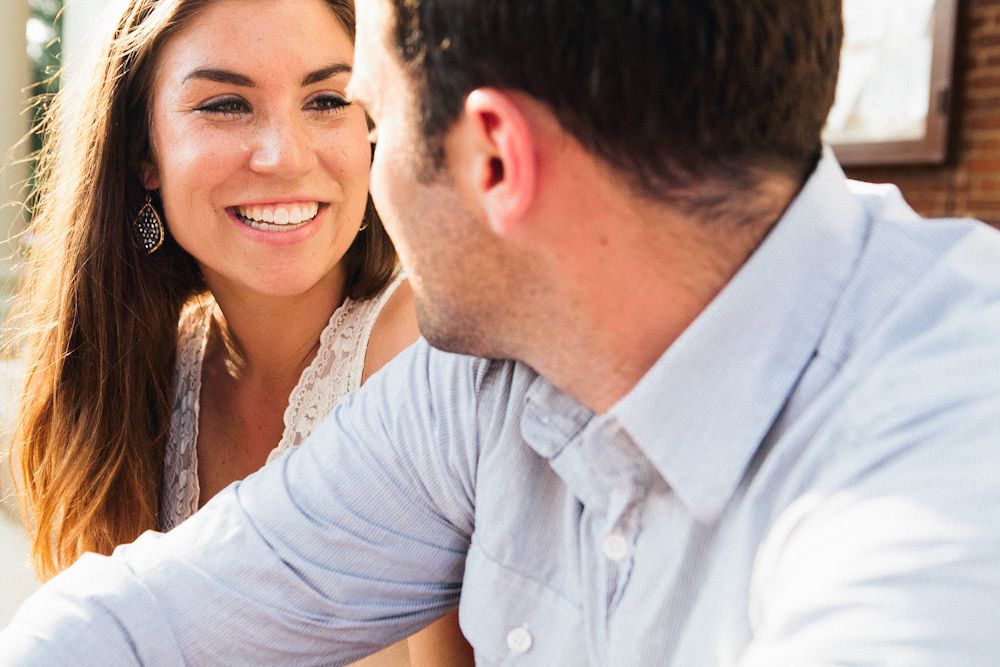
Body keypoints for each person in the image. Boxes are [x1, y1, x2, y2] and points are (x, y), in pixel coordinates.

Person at [6, 0, 1000, 663]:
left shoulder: (939, 473)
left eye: (367, 118)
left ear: (494, 160)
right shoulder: (484, 380)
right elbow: (143, 619)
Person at [4, 0, 472, 664]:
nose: (283, 155)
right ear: (145, 154)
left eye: (327, 99)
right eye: (226, 105)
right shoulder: (144, 372)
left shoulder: (427, 363)